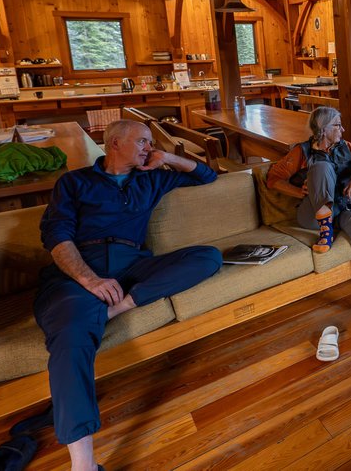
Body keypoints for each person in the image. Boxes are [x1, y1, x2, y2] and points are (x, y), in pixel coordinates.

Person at [35, 119, 223, 471]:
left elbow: (207, 176)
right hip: (80, 268)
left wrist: (167, 157)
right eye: (142, 142)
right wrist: (90, 281)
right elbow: (56, 236)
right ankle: (83, 464)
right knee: (72, 335)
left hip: (133, 264)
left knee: (209, 257)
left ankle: (116, 307)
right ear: (115, 143)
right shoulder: (74, 183)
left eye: (151, 143)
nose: (147, 148)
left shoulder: (151, 178)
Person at [266, 106, 351, 331]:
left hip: (345, 207)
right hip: (312, 214)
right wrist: (298, 191)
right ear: (322, 129)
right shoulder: (301, 152)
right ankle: (325, 231)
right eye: (337, 125)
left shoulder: (346, 147)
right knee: (320, 168)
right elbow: (273, 178)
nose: (342, 128)